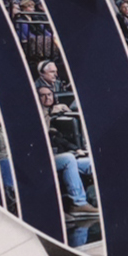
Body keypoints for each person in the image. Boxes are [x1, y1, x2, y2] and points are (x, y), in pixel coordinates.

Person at [37, 84, 98, 215]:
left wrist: (76, 149)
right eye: (43, 95)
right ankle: (78, 203)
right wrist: (48, 113)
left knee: (91, 162)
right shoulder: (37, 115)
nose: (47, 98)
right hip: (42, 160)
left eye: (49, 94)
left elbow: (58, 139)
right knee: (68, 159)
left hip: (57, 155)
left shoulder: (52, 113)